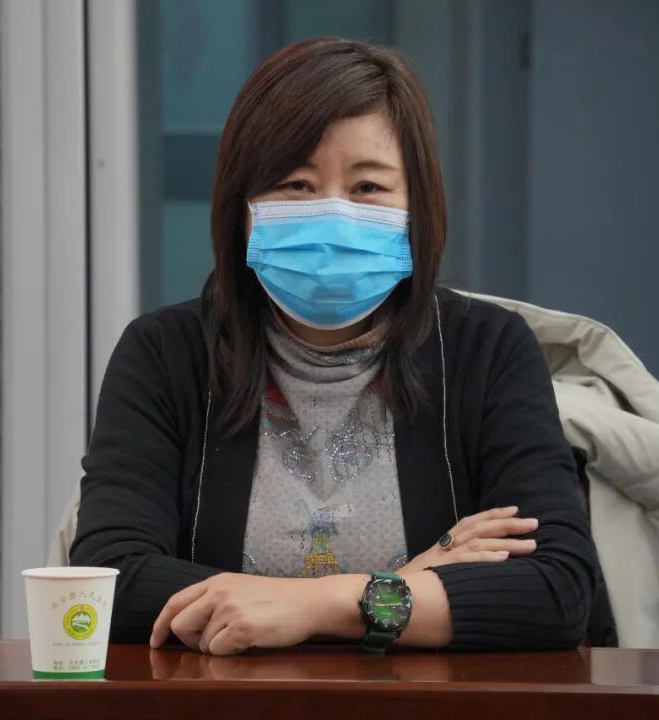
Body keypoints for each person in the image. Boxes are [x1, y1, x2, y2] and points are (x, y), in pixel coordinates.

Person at [71, 37, 597, 655]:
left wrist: (320, 605)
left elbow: (557, 592)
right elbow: (107, 582)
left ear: (418, 206)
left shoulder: (487, 350)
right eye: (296, 184)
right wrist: (406, 588)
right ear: (242, 207)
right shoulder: (165, 354)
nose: (332, 216)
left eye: (368, 187)